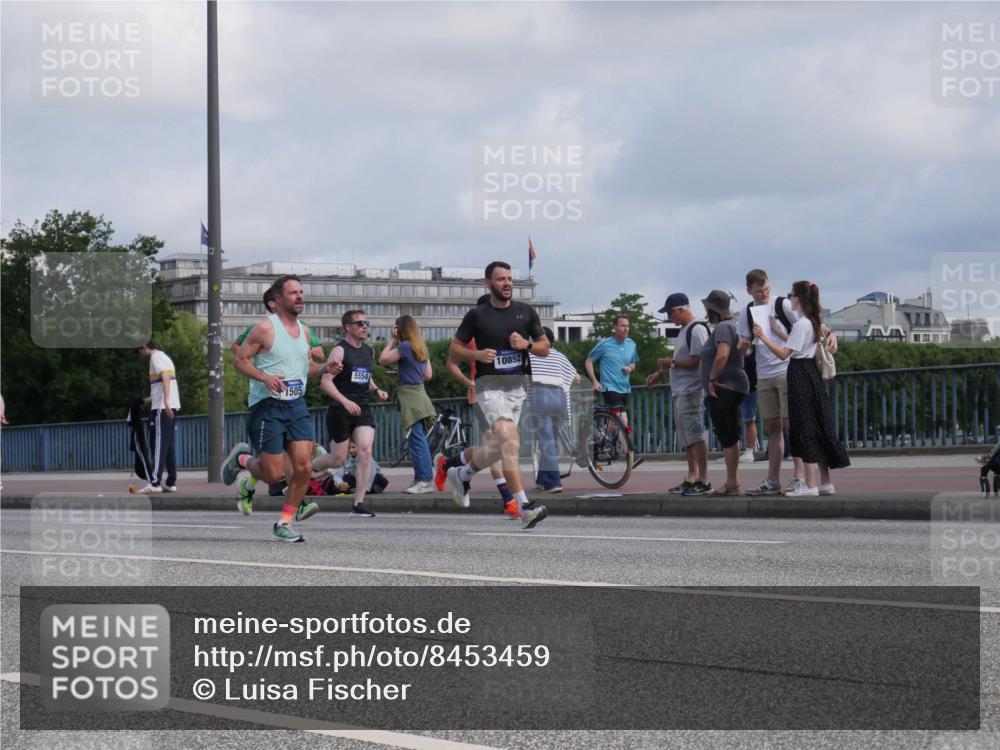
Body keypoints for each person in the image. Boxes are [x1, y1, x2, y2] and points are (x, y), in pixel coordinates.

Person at [434, 261, 550, 530]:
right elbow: (454, 353)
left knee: (498, 448)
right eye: (500, 279)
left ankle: (461, 473)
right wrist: (476, 355)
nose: (507, 283)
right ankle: (523, 506)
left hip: (516, 389)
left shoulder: (526, 312)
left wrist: (527, 345)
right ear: (488, 283)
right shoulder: (477, 316)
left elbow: (545, 347)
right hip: (489, 386)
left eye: (510, 279)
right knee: (510, 441)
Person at [221, 274, 326, 542]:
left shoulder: (304, 331)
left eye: (301, 292)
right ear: (277, 299)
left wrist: (325, 368)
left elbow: (306, 370)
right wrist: (265, 378)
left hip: (296, 404)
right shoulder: (265, 329)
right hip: (267, 406)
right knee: (274, 474)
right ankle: (242, 462)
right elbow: (240, 361)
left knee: (303, 467)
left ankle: (285, 521)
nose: (300, 296)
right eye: (293, 293)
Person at [753, 280, 850, 496]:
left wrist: (763, 337)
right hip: (811, 374)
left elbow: (784, 354)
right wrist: (779, 332)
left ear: (798, 298)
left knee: (802, 427)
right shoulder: (813, 321)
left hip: (798, 374)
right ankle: (825, 481)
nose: (789, 299)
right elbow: (799, 345)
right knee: (818, 425)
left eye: (791, 295)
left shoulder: (800, 324)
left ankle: (810, 483)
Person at [444, 294, 519, 519]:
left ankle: (451, 464)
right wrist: (469, 383)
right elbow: (451, 362)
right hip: (483, 397)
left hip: (506, 395)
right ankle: (509, 500)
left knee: (493, 447)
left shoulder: (505, 332)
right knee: (498, 447)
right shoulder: (472, 334)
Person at [311, 309, 389, 517]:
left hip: (362, 406)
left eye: (367, 323)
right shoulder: (339, 351)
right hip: (340, 408)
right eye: (360, 323)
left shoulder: (368, 351)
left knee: (365, 450)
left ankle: (359, 503)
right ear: (348, 327)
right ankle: (306, 469)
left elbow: (365, 376)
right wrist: (345, 402)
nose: (365, 327)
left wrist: (376, 389)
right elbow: (325, 383)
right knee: (338, 459)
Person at [646, 293, 711, 495]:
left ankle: (703, 479)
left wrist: (671, 363)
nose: (669, 317)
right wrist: (660, 374)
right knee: (686, 436)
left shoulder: (697, 329)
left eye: (671, 312)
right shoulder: (684, 331)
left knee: (695, 433)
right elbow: (682, 361)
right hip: (680, 390)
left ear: (683, 309)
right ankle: (692, 476)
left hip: (692, 389)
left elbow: (698, 360)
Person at [699, 290, 749, 496]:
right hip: (733, 385)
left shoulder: (722, 327)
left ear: (713, 310)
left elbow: (722, 355)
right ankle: (732, 481)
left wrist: (712, 380)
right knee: (730, 434)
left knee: (728, 435)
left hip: (725, 387)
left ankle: (732, 483)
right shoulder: (733, 325)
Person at [379, 315, 436, 494]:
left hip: (409, 397)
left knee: (416, 439)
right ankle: (421, 478)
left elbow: (383, 359)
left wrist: (392, 340)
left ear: (401, 329)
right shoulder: (421, 347)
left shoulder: (404, 346)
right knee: (418, 439)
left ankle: (424, 480)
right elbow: (428, 376)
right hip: (421, 394)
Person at [529, 326, 581, 493]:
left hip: (541, 394)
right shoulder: (560, 356)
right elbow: (576, 377)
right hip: (559, 397)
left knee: (546, 441)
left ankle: (554, 482)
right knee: (551, 441)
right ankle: (543, 479)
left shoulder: (530, 354)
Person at [136, 340, 181, 494]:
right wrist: (145, 401)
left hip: (162, 408)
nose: (140, 354)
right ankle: (171, 482)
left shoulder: (155, 358)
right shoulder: (165, 357)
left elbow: (165, 377)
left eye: (139, 351)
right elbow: (162, 385)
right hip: (170, 406)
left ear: (144, 347)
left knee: (158, 445)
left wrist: (166, 401)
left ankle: (155, 482)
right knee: (168, 446)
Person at [585, 314, 638, 428]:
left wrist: (630, 368)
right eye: (622, 326)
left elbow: (633, 364)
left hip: (625, 387)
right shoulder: (605, 344)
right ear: (615, 327)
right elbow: (588, 361)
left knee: (613, 423)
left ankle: (600, 440)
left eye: (628, 326)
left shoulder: (631, 344)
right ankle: (628, 446)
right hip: (609, 387)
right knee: (622, 420)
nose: (626, 329)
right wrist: (594, 381)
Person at [977, 428, 1000, 497]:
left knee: (984, 468)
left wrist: (985, 456)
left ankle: (984, 479)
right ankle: (997, 477)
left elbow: (993, 453)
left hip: (996, 463)